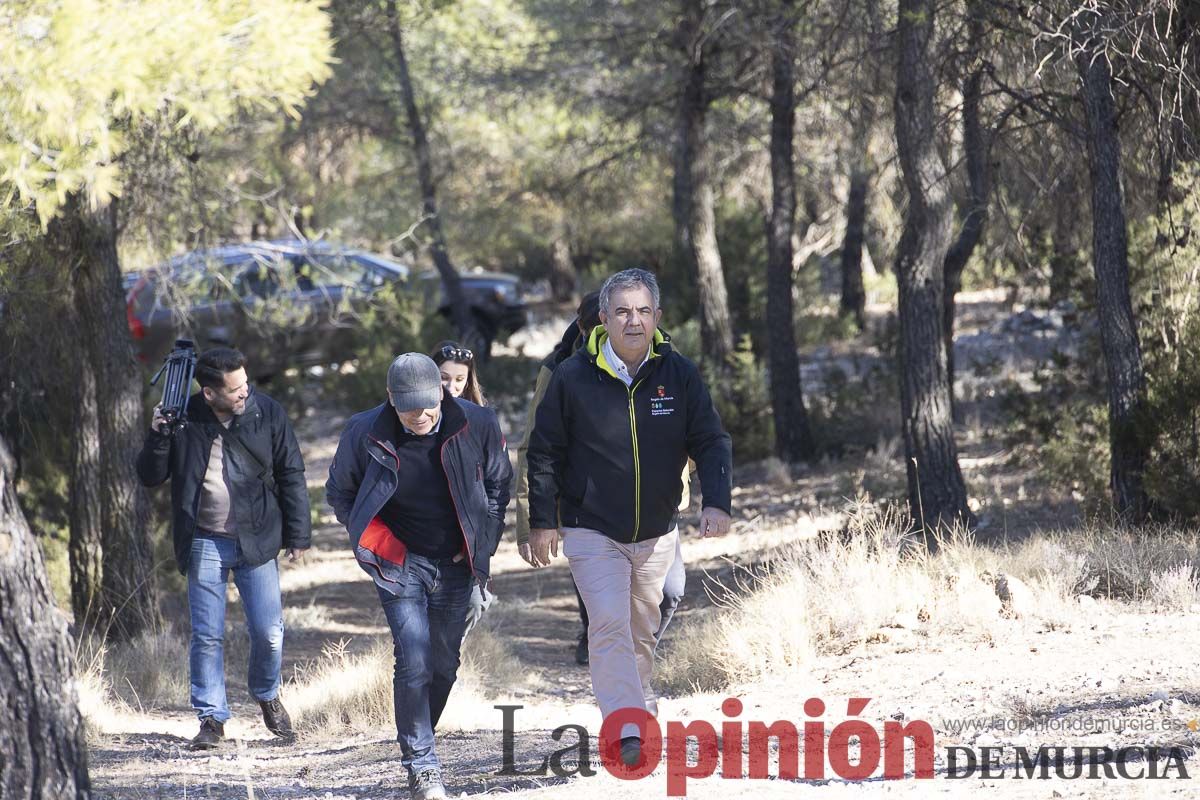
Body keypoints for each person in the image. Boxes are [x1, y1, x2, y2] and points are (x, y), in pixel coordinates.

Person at [526, 268, 732, 768]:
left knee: (641, 627)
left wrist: (716, 500)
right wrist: (541, 520)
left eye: (642, 311)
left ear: (657, 317)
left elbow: (709, 439)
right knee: (611, 622)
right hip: (591, 527)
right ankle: (627, 727)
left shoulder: (678, 373)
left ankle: (638, 706)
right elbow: (544, 451)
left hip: (658, 530)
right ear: (604, 319)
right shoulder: (573, 377)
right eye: (622, 311)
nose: (633, 321)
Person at [326, 353, 511, 800]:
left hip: (456, 562)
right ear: (391, 399)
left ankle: (415, 735)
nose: (423, 414)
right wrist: (377, 544)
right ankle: (422, 765)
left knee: (443, 663)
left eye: (430, 404)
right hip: (399, 562)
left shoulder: (476, 423)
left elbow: (499, 486)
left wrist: (482, 541)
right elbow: (340, 491)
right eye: (410, 406)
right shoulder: (364, 430)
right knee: (413, 658)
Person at [135, 347, 310, 750]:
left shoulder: (267, 413)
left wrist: (298, 534)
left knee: (269, 633)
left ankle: (266, 694)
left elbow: (291, 472)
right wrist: (159, 434)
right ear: (210, 393)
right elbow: (149, 475)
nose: (244, 393)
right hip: (203, 539)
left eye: (246, 384)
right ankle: (212, 718)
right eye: (234, 389)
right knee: (207, 634)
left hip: (257, 538)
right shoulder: (184, 418)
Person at [513, 292, 688, 666]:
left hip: (655, 506)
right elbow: (535, 446)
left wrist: (683, 480)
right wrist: (531, 522)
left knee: (670, 592)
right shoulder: (560, 370)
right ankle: (611, 655)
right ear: (586, 327)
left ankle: (631, 653)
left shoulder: (661, 359)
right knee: (602, 598)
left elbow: (689, 427)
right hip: (588, 504)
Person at [431, 341, 486, 406]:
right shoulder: (418, 410)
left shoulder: (479, 414)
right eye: (443, 378)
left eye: (459, 379)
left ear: (468, 381)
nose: (450, 387)